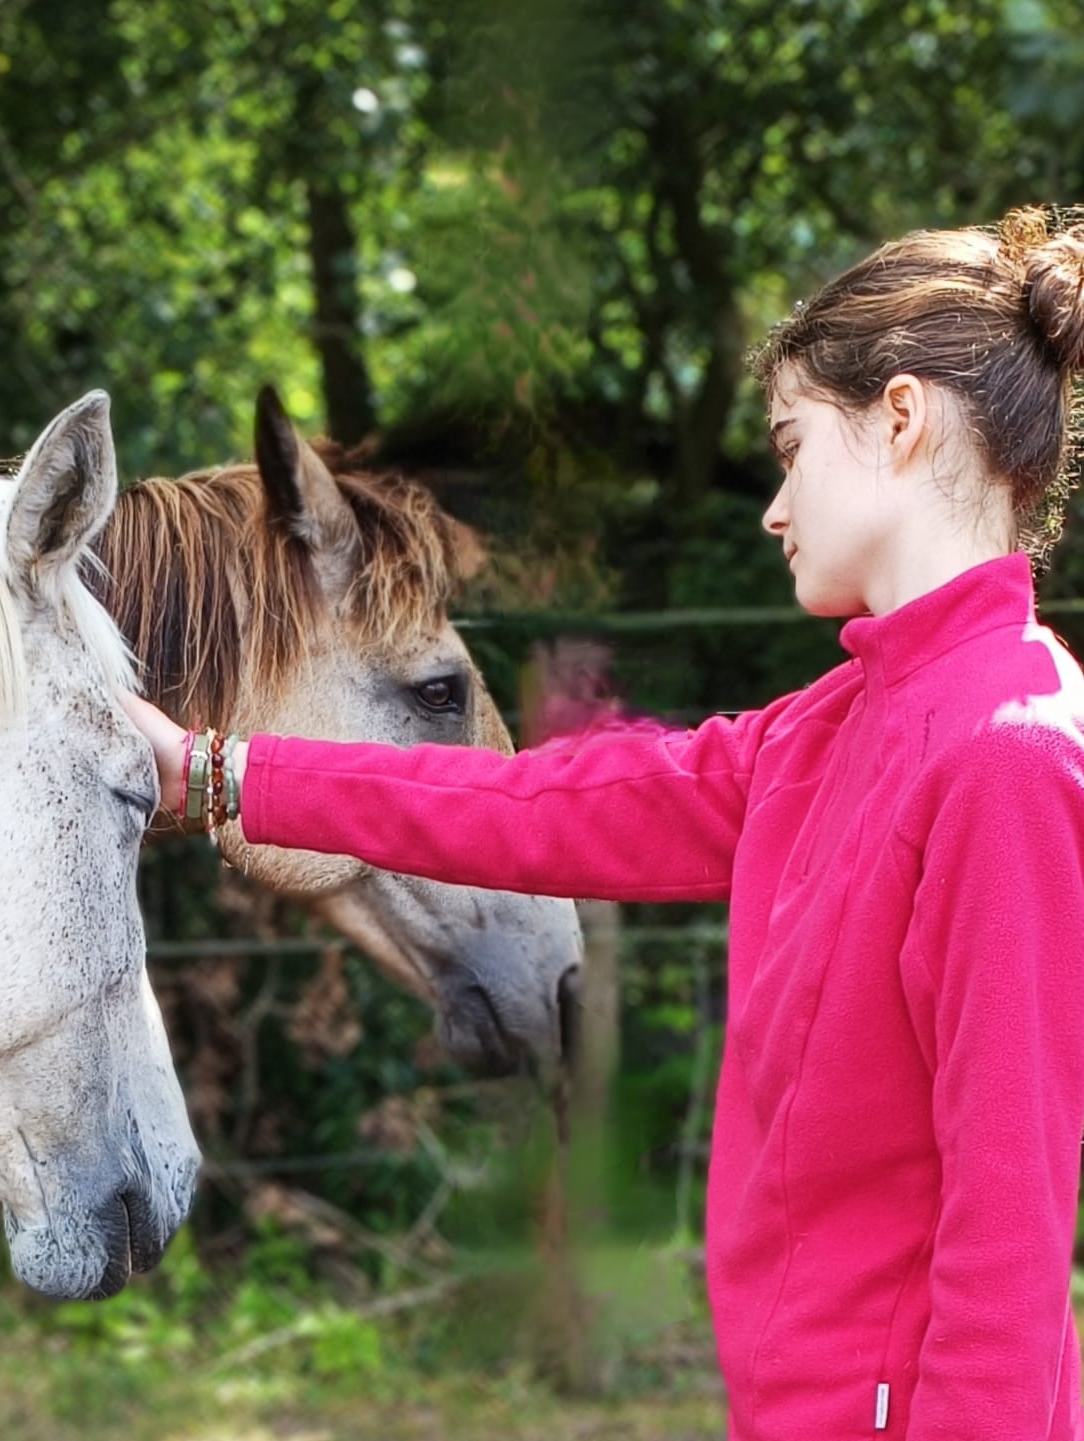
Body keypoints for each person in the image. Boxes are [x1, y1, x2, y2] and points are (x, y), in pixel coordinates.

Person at [123, 207, 1084, 1441]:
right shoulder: (837, 726)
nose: (771, 508)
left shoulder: (1007, 757)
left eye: (792, 449)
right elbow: (539, 803)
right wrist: (218, 773)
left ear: (900, 420)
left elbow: (1008, 1228)